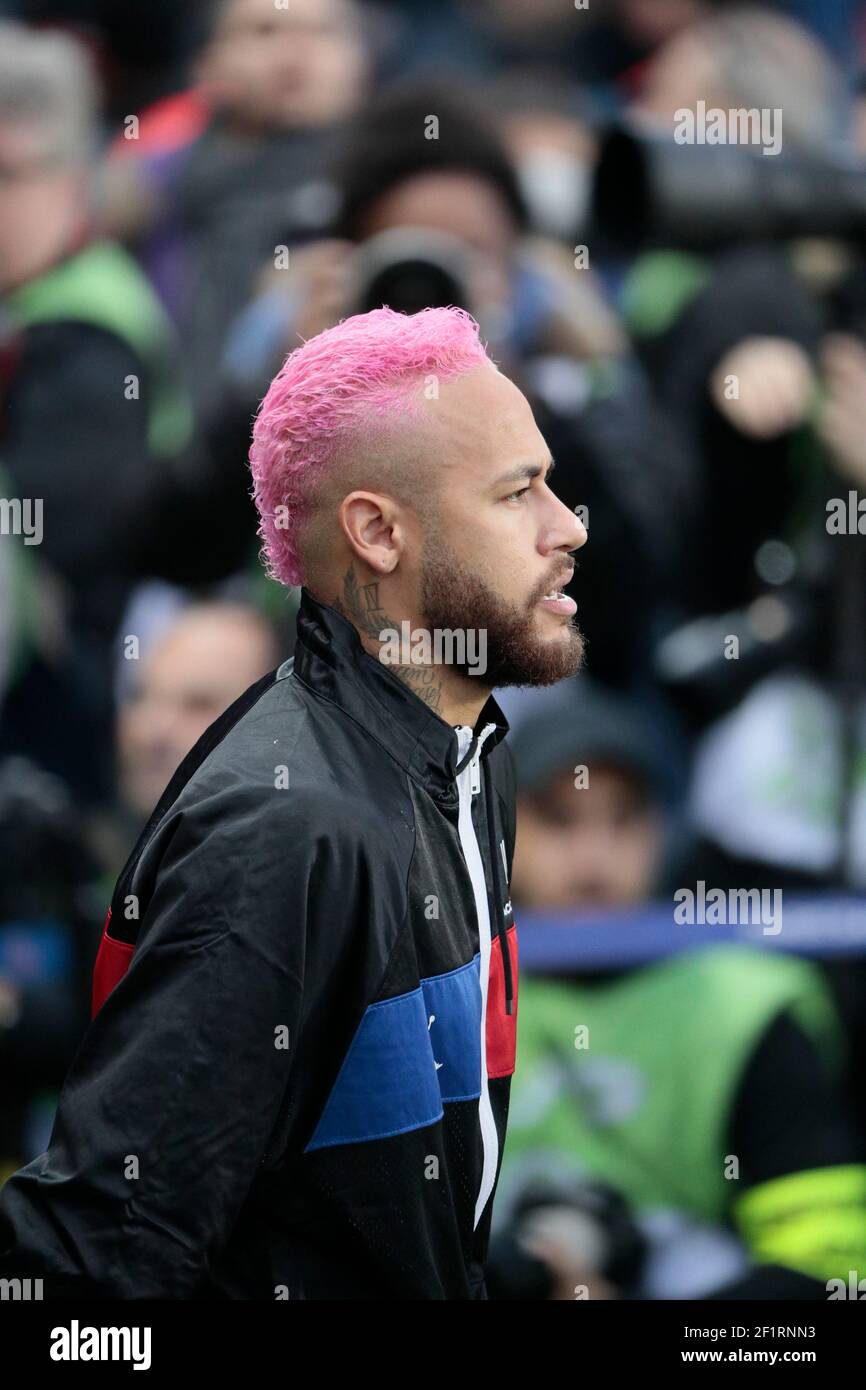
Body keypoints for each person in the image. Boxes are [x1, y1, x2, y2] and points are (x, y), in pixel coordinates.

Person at [0, 303, 587, 1299]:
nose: (565, 526)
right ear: (376, 532)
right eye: (516, 491)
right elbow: (105, 1256)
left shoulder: (466, 754)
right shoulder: (287, 823)